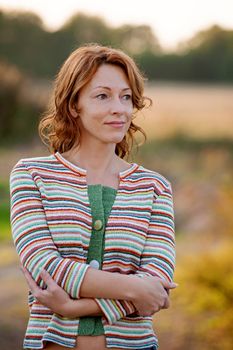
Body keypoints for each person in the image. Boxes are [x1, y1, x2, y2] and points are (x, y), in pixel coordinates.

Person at [10, 44, 177, 350]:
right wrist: (134, 289)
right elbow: (44, 265)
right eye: (103, 96)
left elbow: (158, 285)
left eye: (126, 97)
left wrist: (76, 307)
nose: (120, 108)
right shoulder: (32, 175)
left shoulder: (155, 187)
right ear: (74, 105)